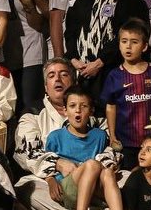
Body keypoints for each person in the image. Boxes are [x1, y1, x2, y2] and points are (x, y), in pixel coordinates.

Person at [12, 59, 108, 210]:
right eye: (51, 75)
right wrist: (57, 164)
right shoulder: (32, 114)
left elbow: (111, 146)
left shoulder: (92, 112)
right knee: (29, 190)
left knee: (127, 180)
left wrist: (91, 169)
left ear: (74, 81)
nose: (57, 79)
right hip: (49, 179)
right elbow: (26, 153)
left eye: (64, 74)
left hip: (94, 176)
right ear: (46, 86)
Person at [64, 0, 149, 89]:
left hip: (114, 73)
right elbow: (71, 29)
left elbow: (133, 33)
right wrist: (73, 59)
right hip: (82, 72)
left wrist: (100, 62)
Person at [101, 19, 151, 170]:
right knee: (131, 177)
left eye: (134, 42)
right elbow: (111, 107)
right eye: (124, 41)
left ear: (144, 46)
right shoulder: (115, 75)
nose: (128, 46)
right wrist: (112, 135)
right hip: (128, 142)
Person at [43, 88, 122, 210]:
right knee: (92, 165)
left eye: (84, 106)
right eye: (72, 106)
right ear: (65, 110)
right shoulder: (55, 137)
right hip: (69, 188)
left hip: (93, 188)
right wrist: (50, 180)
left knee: (108, 172)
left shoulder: (100, 135)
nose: (78, 110)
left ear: (91, 111)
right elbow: (47, 163)